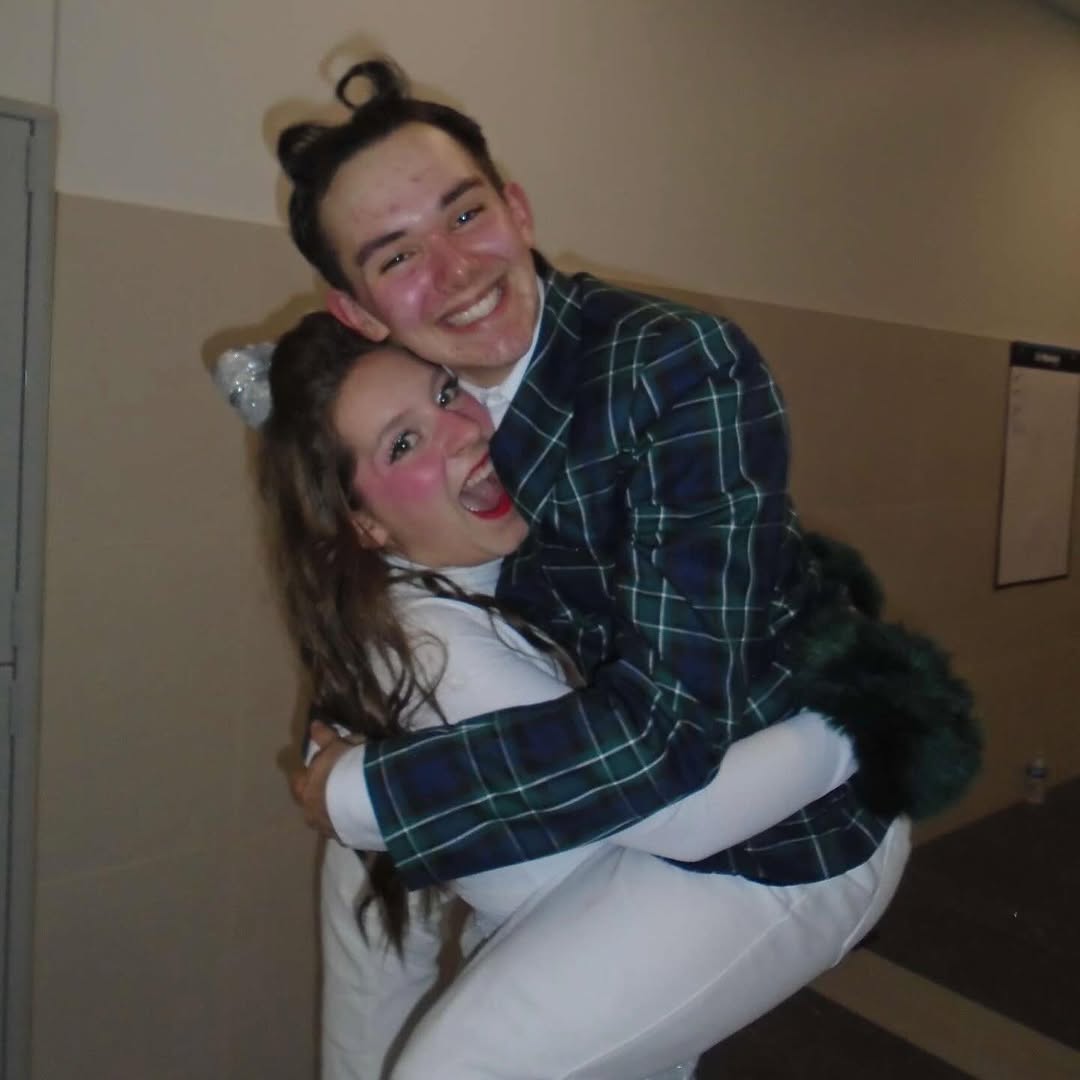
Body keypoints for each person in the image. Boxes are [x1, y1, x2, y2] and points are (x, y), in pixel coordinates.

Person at [273, 59, 979, 1077]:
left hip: (778, 841)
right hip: (648, 817)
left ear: (517, 210)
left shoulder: (670, 368)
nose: (456, 269)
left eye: (466, 214)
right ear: (358, 310)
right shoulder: (443, 406)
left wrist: (366, 794)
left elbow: (672, 737)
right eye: (397, 256)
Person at [241, 313, 896, 1079]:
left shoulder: (459, 593)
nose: (462, 430)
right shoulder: (434, 649)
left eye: (446, 392)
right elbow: (680, 811)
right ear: (363, 525)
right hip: (732, 871)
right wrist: (860, 716)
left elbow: (372, 936)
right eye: (404, 443)